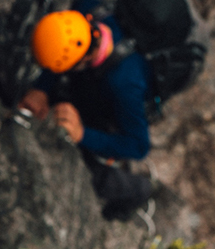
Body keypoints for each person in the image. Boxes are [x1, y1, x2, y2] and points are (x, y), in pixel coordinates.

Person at [17, 2, 157, 220]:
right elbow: (65, 46)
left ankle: (138, 191)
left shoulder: (125, 84)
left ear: (84, 60)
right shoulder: (84, 12)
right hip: (96, 74)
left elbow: (139, 146)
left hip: (115, 98)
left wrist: (83, 134)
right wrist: (41, 89)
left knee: (92, 166)